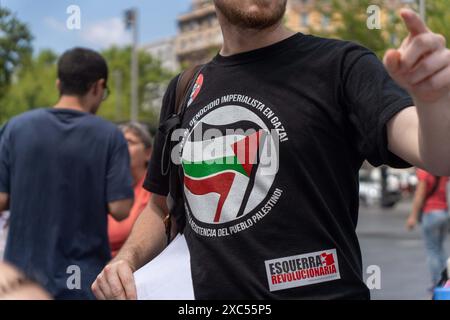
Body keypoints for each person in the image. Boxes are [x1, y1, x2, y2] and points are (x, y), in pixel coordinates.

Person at [92, 1, 450, 300]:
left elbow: (436, 153)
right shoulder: (184, 87)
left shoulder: (341, 64)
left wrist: (433, 101)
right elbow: (159, 207)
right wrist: (125, 260)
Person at [0, 47, 134, 299]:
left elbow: (1, 200)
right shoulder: (110, 135)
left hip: (21, 285)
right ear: (99, 86)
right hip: (83, 283)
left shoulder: (15, 128)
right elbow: (120, 208)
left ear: (59, 83)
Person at [108, 123, 153, 257]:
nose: (121, 147)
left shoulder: (154, 191)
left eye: (129, 142)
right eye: (118, 142)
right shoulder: (105, 185)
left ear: (148, 153)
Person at [406, 169, 449, 290]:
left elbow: (420, 195)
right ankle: (446, 280)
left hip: (431, 213)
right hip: (444, 213)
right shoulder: (442, 168)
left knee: (432, 250)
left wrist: (413, 216)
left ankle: (437, 282)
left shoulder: (424, 170)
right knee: (440, 248)